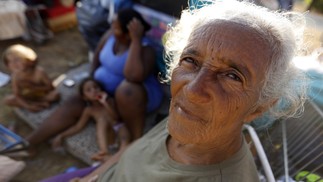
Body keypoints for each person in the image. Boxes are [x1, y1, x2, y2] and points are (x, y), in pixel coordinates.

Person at [41, 0, 308, 181]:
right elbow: (137, 149)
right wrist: (93, 176)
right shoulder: (189, 120)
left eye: (232, 76)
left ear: (260, 107)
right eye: (190, 60)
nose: (192, 90)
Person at [25, 8, 163, 155]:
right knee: (74, 102)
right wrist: (90, 84)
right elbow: (96, 59)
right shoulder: (110, 36)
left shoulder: (145, 49)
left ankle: (133, 141)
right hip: (102, 94)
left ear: (128, 33)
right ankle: (29, 143)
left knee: (127, 89)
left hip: (133, 98)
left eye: (116, 27)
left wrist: (135, 41)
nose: (111, 28)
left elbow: (133, 77)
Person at [51, 77, 130, 161]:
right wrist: (61, 136)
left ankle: (121, 151)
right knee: (101, 121)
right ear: (85, 97)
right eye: (89, 90)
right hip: (109, 137)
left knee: (122, 129)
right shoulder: (89, 110)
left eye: (96, 87)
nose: (94, 91)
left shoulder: (109, 101)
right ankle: (104, 152)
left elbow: (116, 118)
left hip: (119, 131)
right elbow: (78, 127)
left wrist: (105, 103)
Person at [2, 44, 60, 112]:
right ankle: (38, 104)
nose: (14, 64)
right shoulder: (15, 76)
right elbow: (17, 94)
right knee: (8, 100)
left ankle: (41, 103)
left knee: (55, 95)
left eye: (17, 60)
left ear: (29, 59)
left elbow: (51, 88)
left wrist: (33, 87)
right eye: (10, 61)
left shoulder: (39, 72)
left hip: (42, 95)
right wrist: (27, 106)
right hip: (29, 96)